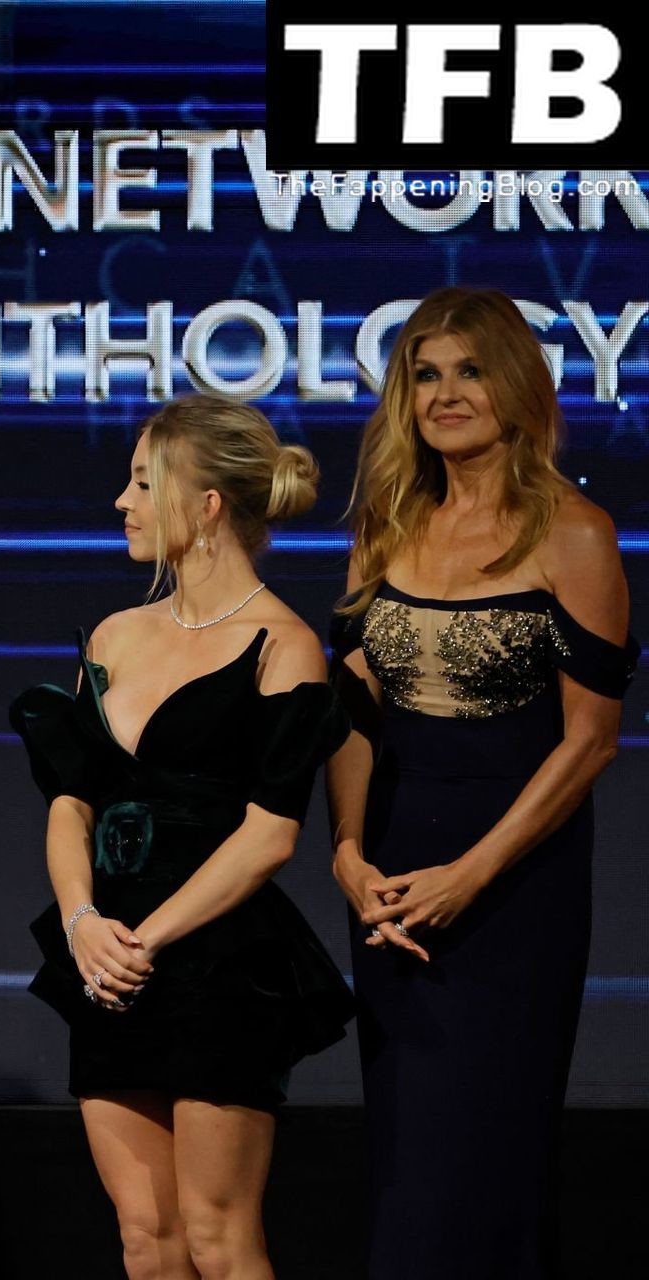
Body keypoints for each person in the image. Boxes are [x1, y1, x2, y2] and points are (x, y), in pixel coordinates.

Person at [325, 286, 637, 1279]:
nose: (446, 394)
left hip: (512, 886)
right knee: (408, 1157)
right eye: (425, 374)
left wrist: (470, 874)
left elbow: (590, 742)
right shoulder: (384, 524)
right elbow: (354, 709)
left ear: (515, 384)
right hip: (391, 874)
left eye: (469, 371)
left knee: (481, 1161)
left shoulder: (576, 533)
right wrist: (345, 850)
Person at [10, 394, 355, 1280]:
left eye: (141, 483)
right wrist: (83, 925)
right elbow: (71, 801)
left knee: (217, 1237)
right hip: (107, 965)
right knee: (146, 1237)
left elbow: (270, 836)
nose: (121, 503)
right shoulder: (116, 636)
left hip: (216, 966)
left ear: (205, 505)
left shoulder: (283, 645)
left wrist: (144, 941)